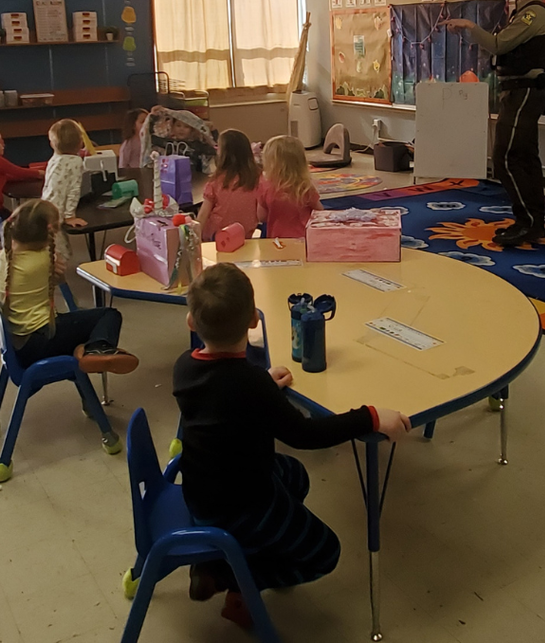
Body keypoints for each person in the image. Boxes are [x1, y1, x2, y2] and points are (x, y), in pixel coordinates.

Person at [173, 263, 410, 627]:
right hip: (240, 506)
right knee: (326, 553)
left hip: (201, 492)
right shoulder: (249, 386)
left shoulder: (184, 368)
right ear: (254, 320)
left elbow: (222, 393)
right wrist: (370, 416)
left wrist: (265, 385)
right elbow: (305, 436)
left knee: (295, 476)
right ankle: (235, 579)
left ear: (191, 322)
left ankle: (218, 562)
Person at [442, 0, 545, 247]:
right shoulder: (522, 12)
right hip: (516, 91)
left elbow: (500, 43)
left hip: (525, 91)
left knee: (506, 158)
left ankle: (528, 222)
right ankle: (532, 222)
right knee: (523, 158)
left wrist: (469, 25)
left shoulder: (534, 13)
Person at [0, 199, 138, 388]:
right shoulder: (45, 261)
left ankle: (87, 350)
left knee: (76, 320)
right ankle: (94, 349)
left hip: (15, 346)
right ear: (50, 233)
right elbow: (60, 279)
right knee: (108, 315)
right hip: (39, 344)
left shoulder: (5, 255)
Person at [196, 129, 262, 242]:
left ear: (224, 154)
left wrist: (194, 239)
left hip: (215, 237)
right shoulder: (258, 178)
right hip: (244, 236)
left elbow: (203, 215)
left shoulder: (217, 181)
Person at [256, 135, 323, 238]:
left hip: (277, 238)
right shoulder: (304, 186)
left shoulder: (265, 186)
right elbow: (319, 211)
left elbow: (261, 217)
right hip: (303, 237)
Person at [42, 119, 87, 260]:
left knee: (51, 248)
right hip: (57, 213)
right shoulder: (75, 162)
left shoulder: (54, 158)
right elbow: (74, 190)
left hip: (45, 207)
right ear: (80, 142)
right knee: (59, 255)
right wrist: (70, 216)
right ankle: (56, 279)